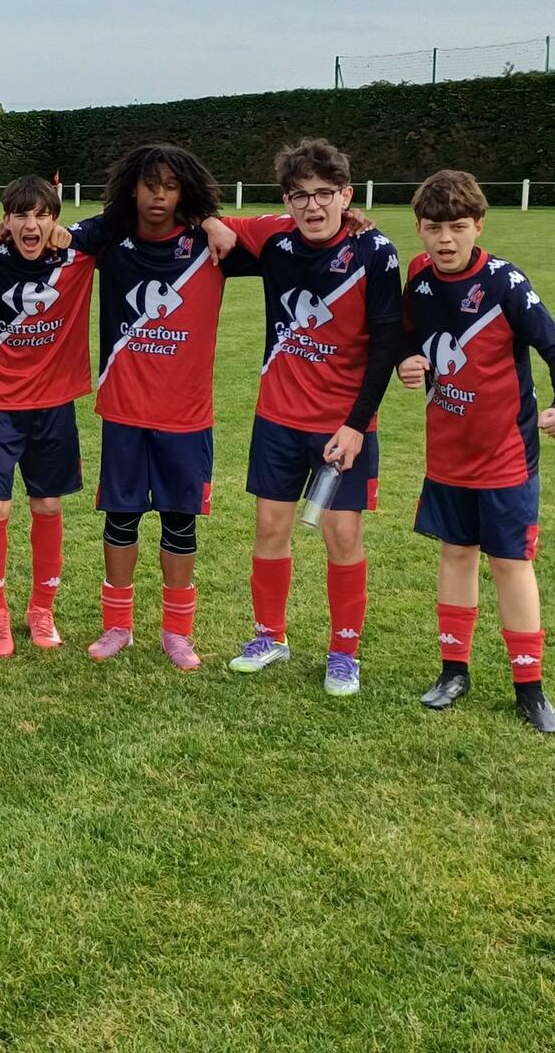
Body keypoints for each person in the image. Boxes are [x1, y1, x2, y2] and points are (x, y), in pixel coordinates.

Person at [219, 139, 403, 696]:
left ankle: (344, 651)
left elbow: (387, 343)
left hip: (342, 424)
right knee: (270, 528)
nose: (313, 206)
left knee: (342, 534)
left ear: (347, 194)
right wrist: (208, 224)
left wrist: (356, 424)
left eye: (325, 194)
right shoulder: (275, 238)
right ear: (286, 201)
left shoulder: (375, 251)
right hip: (277, 416)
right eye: (300, 196)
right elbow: (212, 222)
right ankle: (269, 636)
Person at [397, 169, 555, 732]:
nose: (445, 239)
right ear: (420, 229)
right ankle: (454, 672)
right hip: (447, 452)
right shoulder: (418, 276)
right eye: (434, 228)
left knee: (509, 563)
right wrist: (408, 361)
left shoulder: (505, 283)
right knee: (456, 554)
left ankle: (530, 688)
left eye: (457, 226)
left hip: (506, 455)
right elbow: (408, 335)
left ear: (478, 225)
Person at [67, 146, 237, 670]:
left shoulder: (212, 244)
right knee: (120, 519)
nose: (159, 196)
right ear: (133, 187)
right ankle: (117, 626)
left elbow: (290, 237)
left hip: (186, 416)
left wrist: (210, 219)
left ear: (184, 192)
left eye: (170, 186)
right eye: (150, 185)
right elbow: (51, 235)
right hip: (123, 409)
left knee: (179, 523)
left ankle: (177, 633)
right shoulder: (109, 234)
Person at [0, 175, 92, 658]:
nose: (32, 225)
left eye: (42, 215)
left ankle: (41, 609)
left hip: (53, 403)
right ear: (6, 220)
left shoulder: (79, 251)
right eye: (21, 215)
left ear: (56, 220)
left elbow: (129, 221)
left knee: (47, 506)